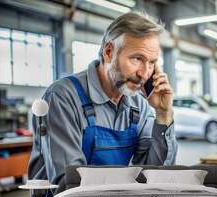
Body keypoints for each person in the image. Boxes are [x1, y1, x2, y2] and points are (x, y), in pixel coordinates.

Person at [28, 11, 178, 184]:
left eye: (152, 62)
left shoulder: (139, 104)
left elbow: (155, 175)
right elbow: (68, 184)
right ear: (108, 52)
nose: (144, 74)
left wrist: (163, 113)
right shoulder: (62, 98)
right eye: (137, 58)